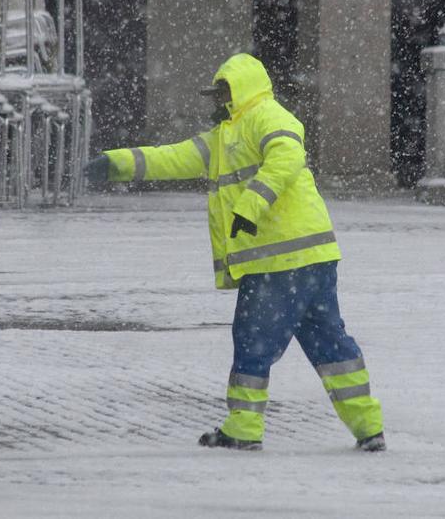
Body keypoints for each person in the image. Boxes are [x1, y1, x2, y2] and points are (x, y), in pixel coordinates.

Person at [84, 53, 385, 452]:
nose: (217, 101)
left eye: (222, 92)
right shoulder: (224, 139)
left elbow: (287, 156)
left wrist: (250, 205)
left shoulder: (267, 115)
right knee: (330, 343)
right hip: (312, 257)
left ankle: (244, 426)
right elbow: (170, 157)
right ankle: (368, 427)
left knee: (253, 341)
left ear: (240, 89)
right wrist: (116, 164)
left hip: (277, 260)